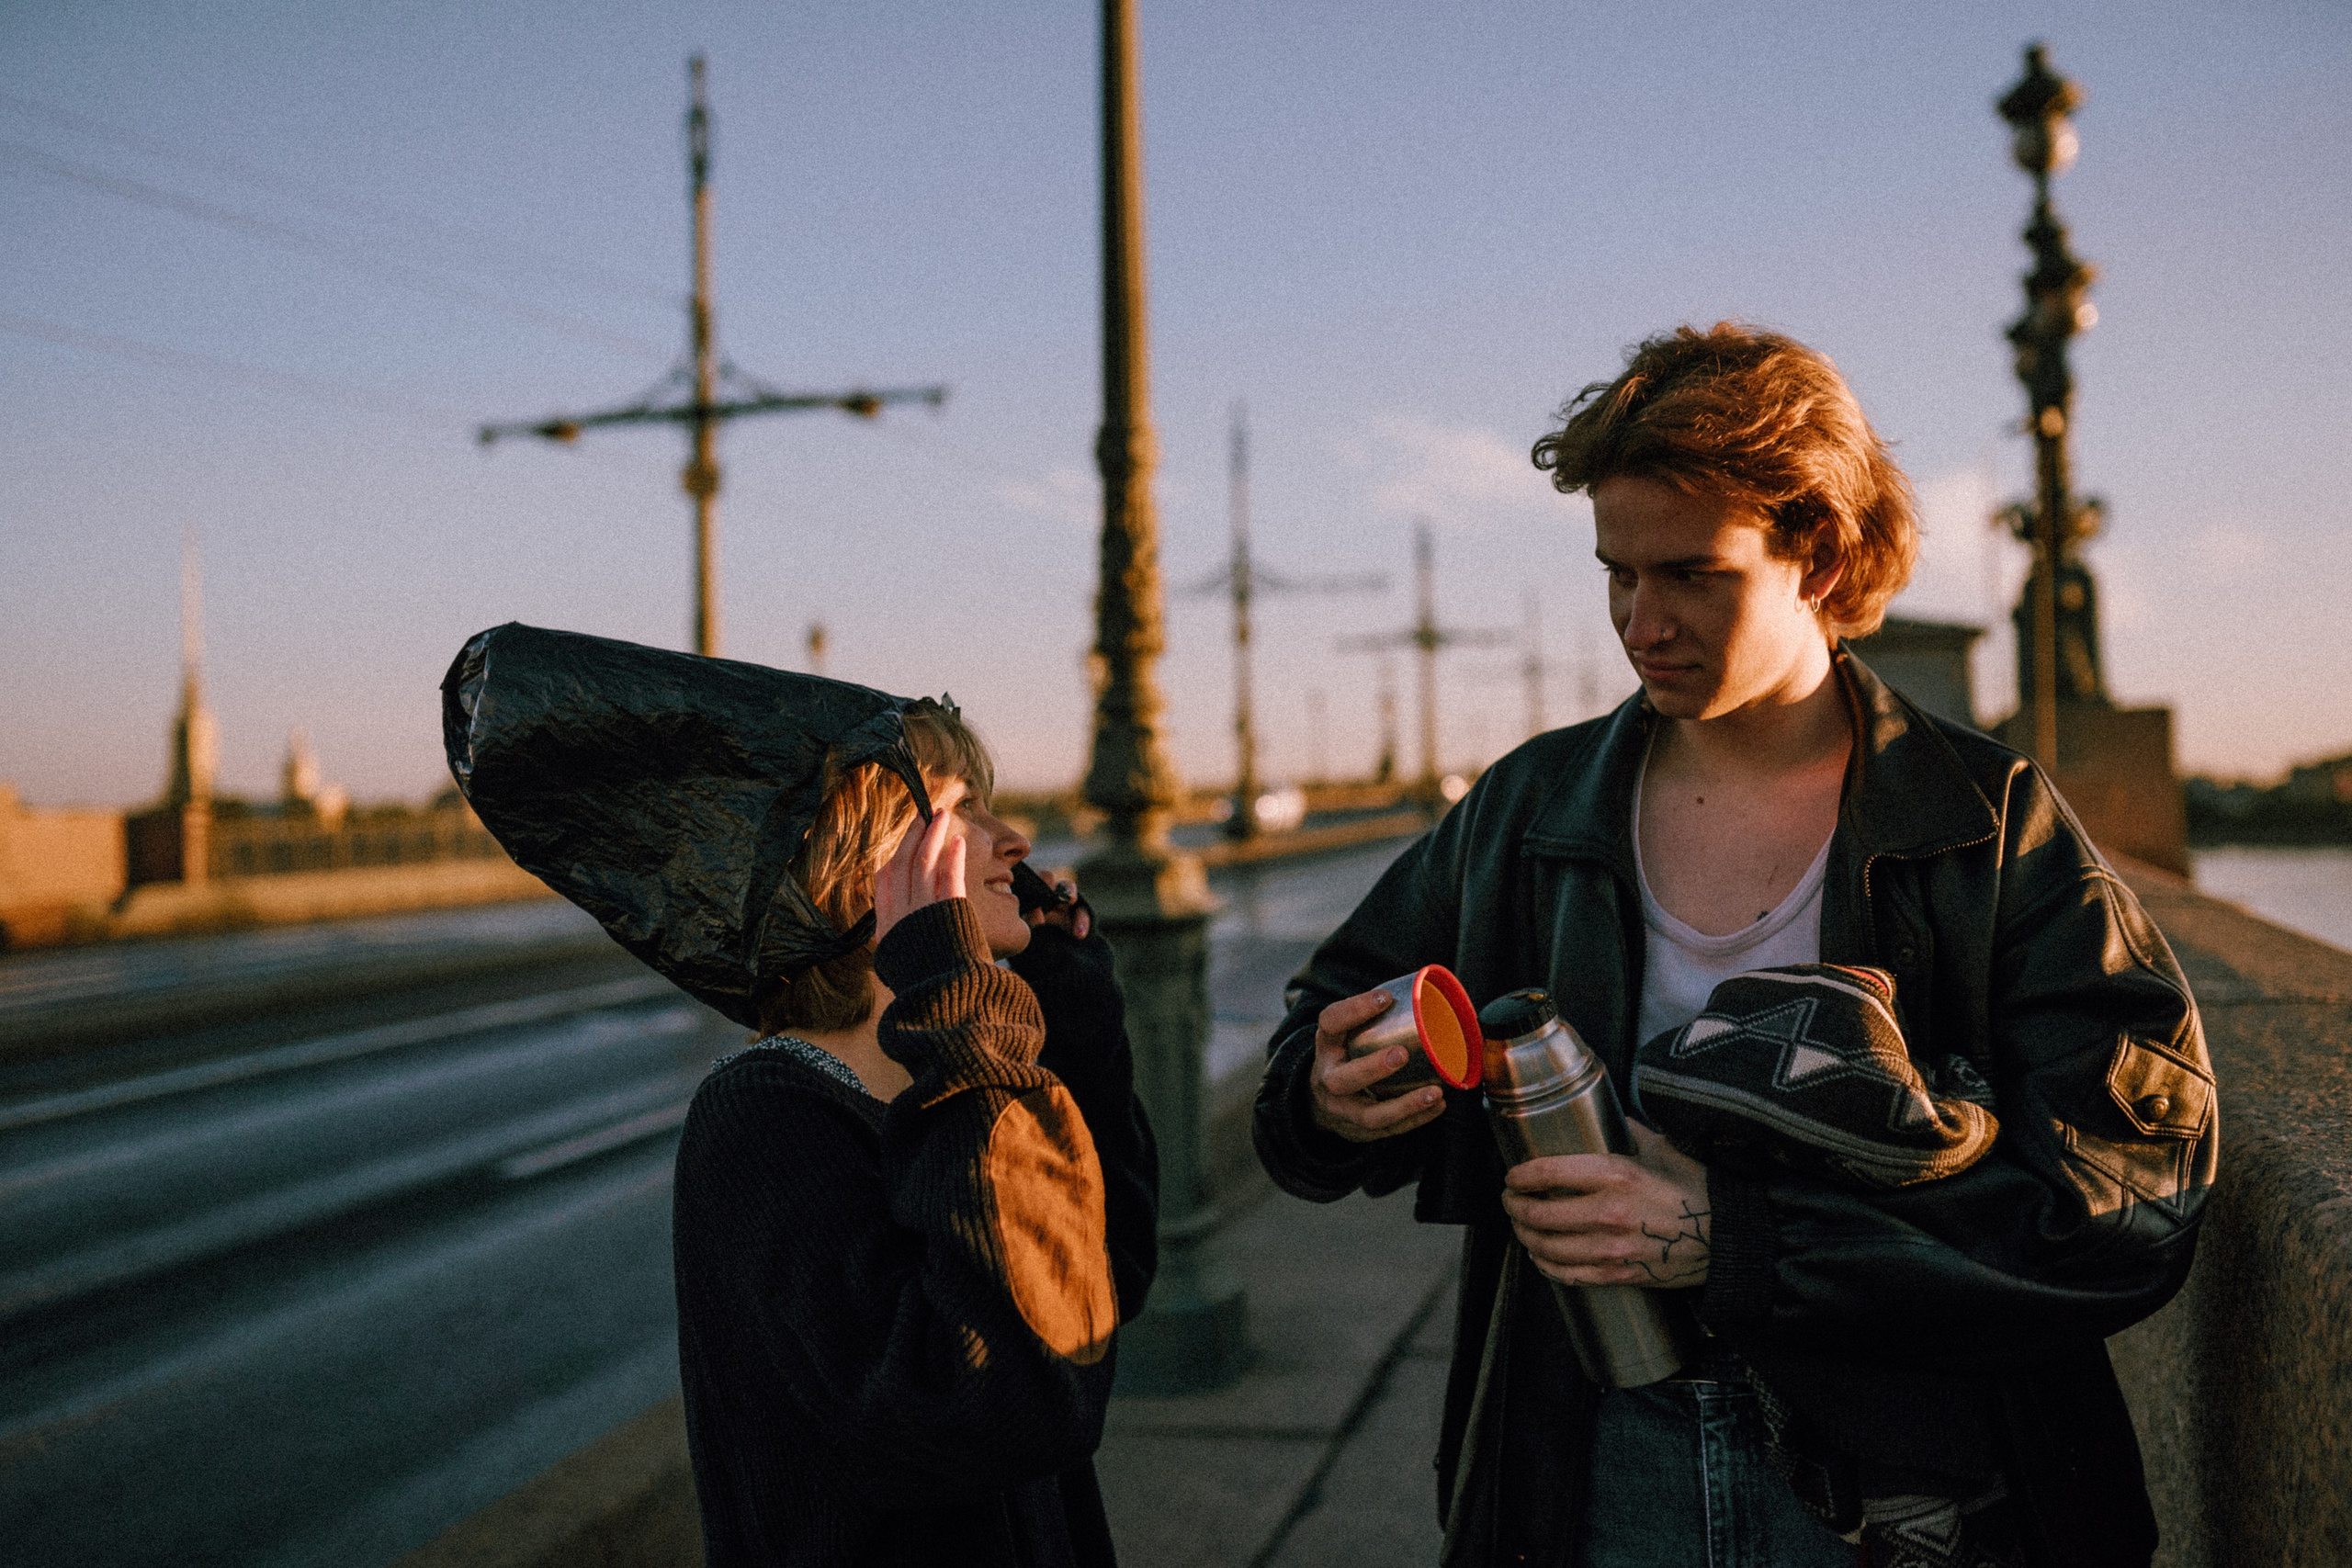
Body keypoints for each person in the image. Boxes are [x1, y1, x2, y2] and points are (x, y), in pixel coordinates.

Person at [1252, 322, 2214, 1568]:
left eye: (1693, 574)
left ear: (1818, 553)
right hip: (1587, 1459)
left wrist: (1737, 1239)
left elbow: (2126, 1198)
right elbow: (1301, 1080)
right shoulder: (1528, 809)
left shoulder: (1987, 824)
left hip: (1913, 1494)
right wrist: (1336, 1095)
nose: (1640, 621)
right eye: (1616, 572)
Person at [672, 704, 1159, 1567]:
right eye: (962, 807)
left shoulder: (924, 1080)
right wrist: (962, 1008)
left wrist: (1073, 1015)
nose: (1012, 837)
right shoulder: (766, 1115)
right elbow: (997, 1400)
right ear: (864, 862)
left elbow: (1098, 1285)